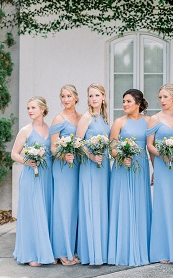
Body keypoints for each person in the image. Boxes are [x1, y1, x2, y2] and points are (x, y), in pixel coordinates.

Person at [108, 89, 151, 266]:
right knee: (123, 205)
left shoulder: (148, 121)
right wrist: (121, 156)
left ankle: (142, 249)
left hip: (141, 167)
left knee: (140, 205)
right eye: (123, 101)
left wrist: (155, 169)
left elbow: (150, 146)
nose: (124, 104)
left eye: (128, 101)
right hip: (122, 168)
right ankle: (122, 251)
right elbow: (112, 148)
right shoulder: (118, 122)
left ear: (138, 104)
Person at [12, 96, 54, 266]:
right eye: (28, 108)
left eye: (33, 108)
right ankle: (31, 254)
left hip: (47, 177)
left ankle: (45, 250)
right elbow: (14, 153)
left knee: (45, 212)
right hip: (31, 176)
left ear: (43, 109)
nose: (30, 111)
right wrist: (26, 161)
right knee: (32, 213)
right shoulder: (25, 131)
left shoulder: (51, 130)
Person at [146, 84, 173, 264]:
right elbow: (150, 145)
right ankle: (163, 250)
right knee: (164, 204)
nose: (162, 101)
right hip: (163, 165)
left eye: (165, 97)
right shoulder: (154, 119)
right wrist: (160, 157)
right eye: (160, 97)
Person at [76, 84, 110, 265]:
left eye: (97, 95)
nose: (94, 99)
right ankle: (91, 253)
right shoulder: (86, 117)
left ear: (103, 97)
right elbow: (78, 142)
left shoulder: (104, 117)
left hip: (103, 168)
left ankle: (102, 251)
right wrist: (90, 155)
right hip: (90, 167)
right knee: (91, 205)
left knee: (101, 206)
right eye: (90, 96)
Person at [49, 84, 82, 266]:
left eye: (69, 96)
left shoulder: (82, 117)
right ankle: (62, 251)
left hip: (78, 167)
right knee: (63, 207)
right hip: (63, 168)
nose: (66, 99)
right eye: (63, 96)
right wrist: (64, 154)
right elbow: (53, 147)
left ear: (76, 97)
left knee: (75, 207)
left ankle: (75, 247)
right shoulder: (57, 119)